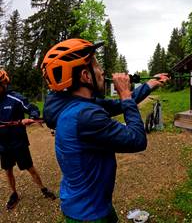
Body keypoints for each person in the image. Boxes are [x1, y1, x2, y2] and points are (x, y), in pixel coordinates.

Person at [41, 38, 169, 223]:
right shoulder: (86, 116)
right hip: (89, 213)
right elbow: (137, 139)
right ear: (86, 76)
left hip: (87, 203)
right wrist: (125, 94)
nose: (102, 71)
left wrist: (149, 85)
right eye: (97, 66)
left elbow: (117, 106)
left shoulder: (78, 106)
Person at [0, 69, 56, 210]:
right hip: (3, 145)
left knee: (29, 168)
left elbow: (31, 107)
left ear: (3, 84)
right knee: (8, 170)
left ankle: (43, 189)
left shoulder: (15, 98)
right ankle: (14, 193)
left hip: (18, 142)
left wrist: (33, 116)